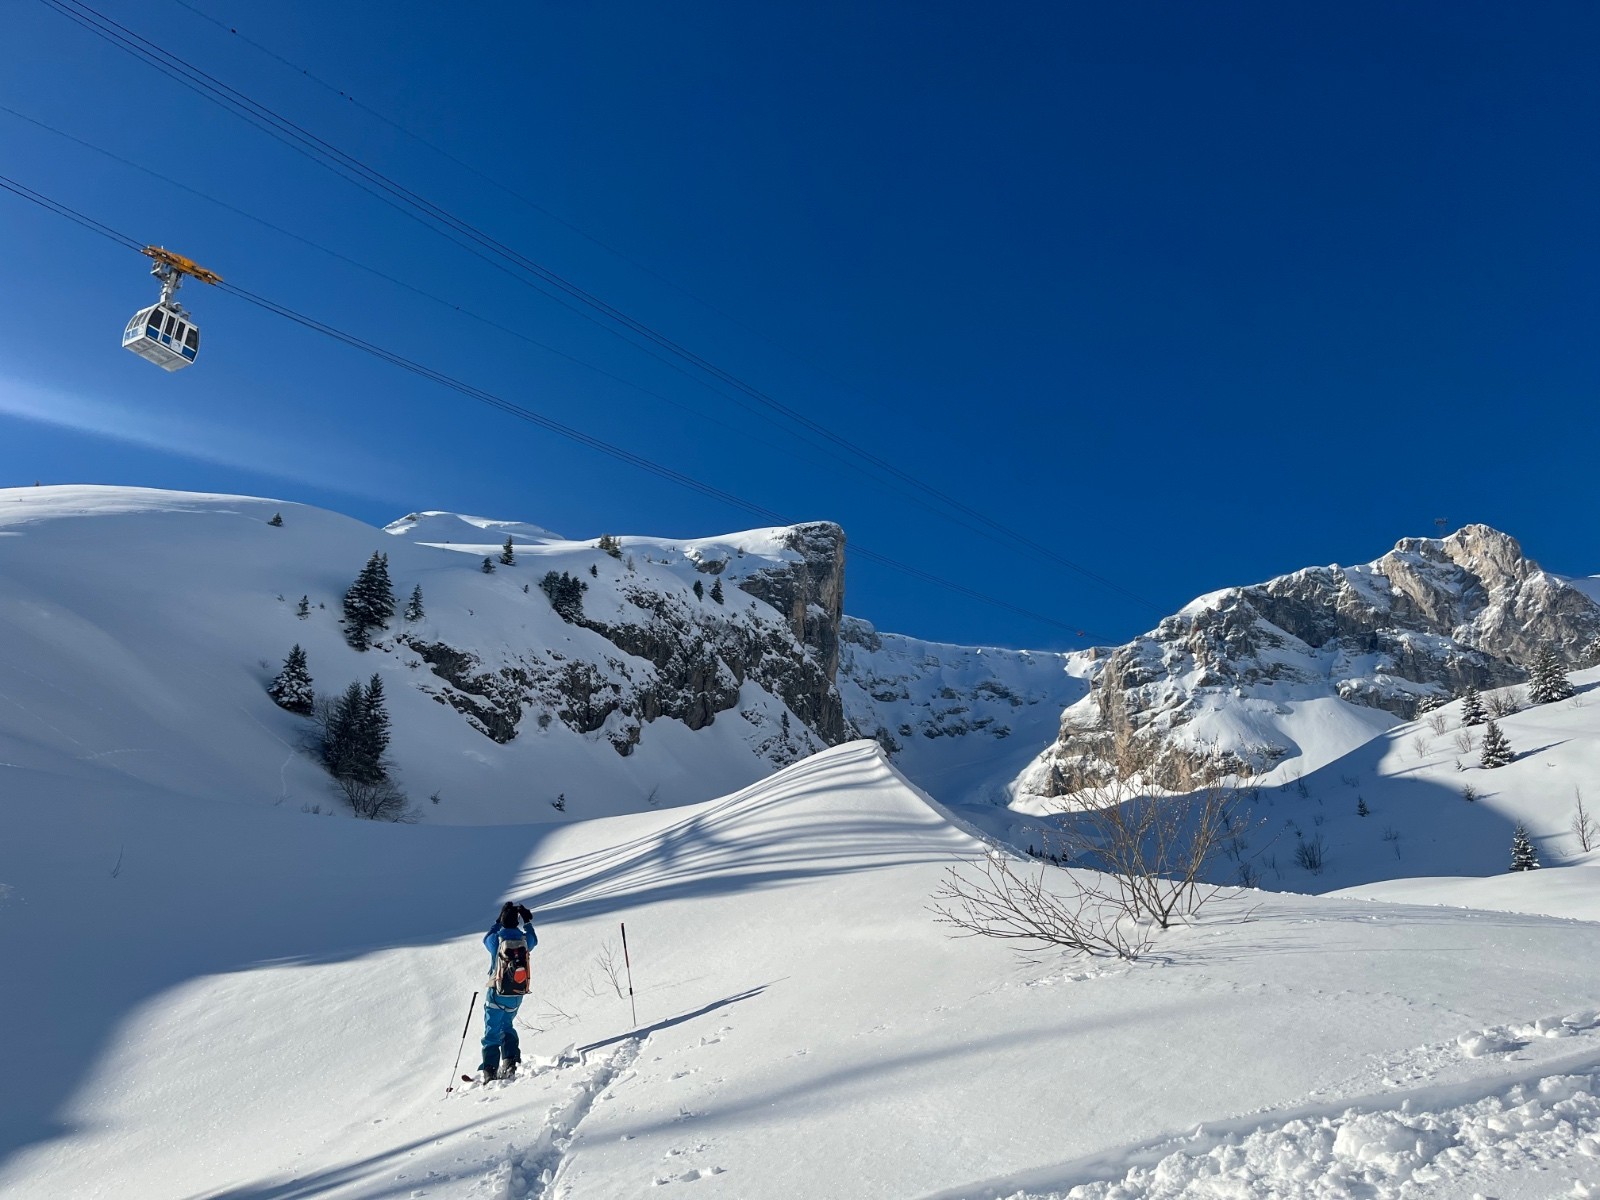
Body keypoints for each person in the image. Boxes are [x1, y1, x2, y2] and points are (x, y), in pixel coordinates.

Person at [480, 900, 537, 1082]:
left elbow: (486, 937)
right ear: (517, 922)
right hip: (516, 995)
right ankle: (510, 1061)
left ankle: (490, 1070)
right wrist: (527, 922)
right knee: (507, 1026)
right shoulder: (523, 940)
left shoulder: (497, 940)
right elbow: (534, 939)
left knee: (491, 1031)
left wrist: (497, 921)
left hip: (496, 995)